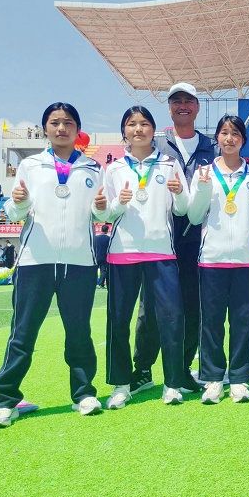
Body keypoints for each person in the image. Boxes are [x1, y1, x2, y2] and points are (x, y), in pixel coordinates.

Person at [0, 102, 108, 428]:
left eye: (68, 122)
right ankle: (5, 400)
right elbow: (14, 212)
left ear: (77, 129)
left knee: (79, 333)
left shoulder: (93, 169)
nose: (61, 128)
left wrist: (102, 208)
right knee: (23, 334)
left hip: (79, 263)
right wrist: (20, 201)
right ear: (45, 129)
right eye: (55, 122)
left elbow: (102, 214)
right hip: (35, 261)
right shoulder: (30, 165)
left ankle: (83, 394)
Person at [131, 82, 216, 395]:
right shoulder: (156, 145)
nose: (183, 106)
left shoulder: (212, 147)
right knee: (152, 306)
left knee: (193, 306)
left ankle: (181, 368)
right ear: (169, 108)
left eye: (188, 101)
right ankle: (142, 369)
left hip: (200, 238)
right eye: (176, 101)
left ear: (197, 107)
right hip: (161, 236)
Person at [102, 106, 189, 409]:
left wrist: (179, 192)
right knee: (118, 320)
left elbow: (182, 209)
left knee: (171, 319)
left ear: (153, 129)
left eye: (143, 124)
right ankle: (121, 384)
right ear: (124, 131)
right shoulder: (113, 169)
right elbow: (105, 213)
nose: (138, 129)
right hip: (122, 252)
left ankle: (173, 383)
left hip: (161, 252)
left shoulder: (169, 164)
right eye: (131, 124)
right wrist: (117, 203)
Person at [187, 115, 249, 404]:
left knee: (242, 322)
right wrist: (203, 189)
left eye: (235, 133)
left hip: (245, 261)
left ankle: (239, 378)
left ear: (243, 139)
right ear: (217, 138)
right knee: (211, 323)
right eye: (224, 132)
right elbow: (194, 216)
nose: (229, 138)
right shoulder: (204, 174)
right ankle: (212, 379)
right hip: (212, 259)